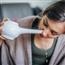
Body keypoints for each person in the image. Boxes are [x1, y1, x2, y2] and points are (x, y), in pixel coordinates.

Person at [0, 1, 65, 65]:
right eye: (45, 23)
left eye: (53, 33)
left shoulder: (63, 43)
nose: (44, 33)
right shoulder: (20, 25)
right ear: (44, 13)